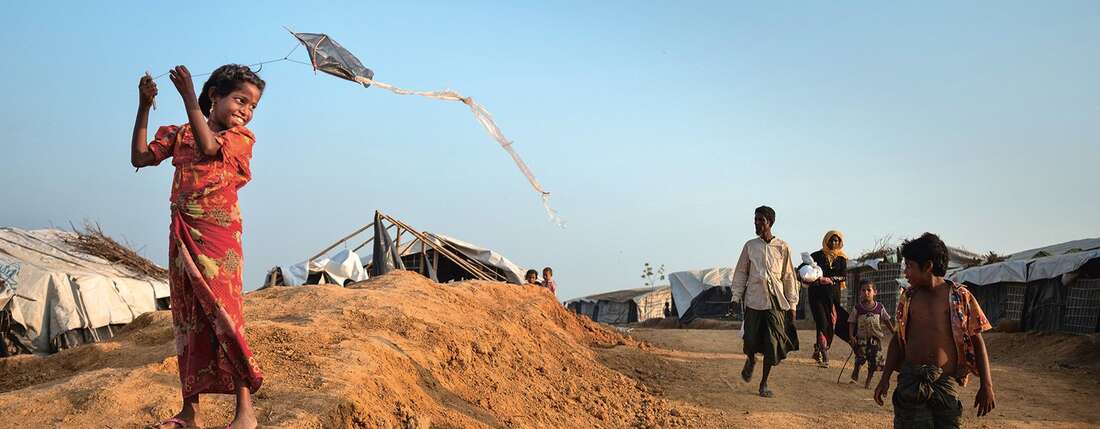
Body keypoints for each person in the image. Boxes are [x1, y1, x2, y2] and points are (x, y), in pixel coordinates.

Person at [133, 65, 265, 429]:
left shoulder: (242, 139)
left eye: (252, 105)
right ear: (215, 96)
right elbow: (140, 157)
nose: (246, 110)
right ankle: (190, 412)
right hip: (182, 232)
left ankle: (245, 412)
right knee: (188, 317)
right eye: (240, 100)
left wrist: (188, 97)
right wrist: (144, 105)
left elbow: (209, 147)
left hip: (219, 237)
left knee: (224, 314)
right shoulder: (179, 133)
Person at [873, 233, 995, 428]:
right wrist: (885, 378)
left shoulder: (960, 297)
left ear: (928, 266)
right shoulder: (908, 298)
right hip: (911, 382)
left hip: (945, 383)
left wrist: (986, 385)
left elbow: (977, 341)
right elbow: (898, 340)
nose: (905, 272)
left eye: (910, 266)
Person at [730, 206, 800, 398]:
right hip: (753, 300)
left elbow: (788, 277)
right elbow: (741, 272)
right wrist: (736, 297)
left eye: (761, 220)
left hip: (775, 303)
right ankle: (751, 359)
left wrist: (792, 305)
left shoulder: (783, 247)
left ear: (769, 222)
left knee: (772, 344)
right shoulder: (750, 246)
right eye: (755, 220)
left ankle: (763, 383)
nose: (757, 223)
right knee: (750, 340)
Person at [808, 230, 848, 368]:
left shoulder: (842, 258)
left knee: (831, 323)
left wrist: (830, 279)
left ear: (840, 242)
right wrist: (817, 279)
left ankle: (819, 349)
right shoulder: (816, 256)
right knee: (822, 321)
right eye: (831, 240)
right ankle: (825, 355)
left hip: (833, 296)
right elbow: (805, 269)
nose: (833, 243)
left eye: (836, 240)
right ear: (826, 240)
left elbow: (843, 276)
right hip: (817, 295)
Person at [848, 280, 893, 388]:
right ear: (860, 292)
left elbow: (886, 320)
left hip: (875, 340)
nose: (866, 293)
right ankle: (856, 369)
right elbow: (852, 322)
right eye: (863, 290)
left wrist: (893, 331)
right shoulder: (857, 308)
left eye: (869, 290)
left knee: (874, 362)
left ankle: (868, 382)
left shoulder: (879, 308)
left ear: (875, 292)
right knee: (860, 358)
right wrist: (851, 336)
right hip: (861, 339)